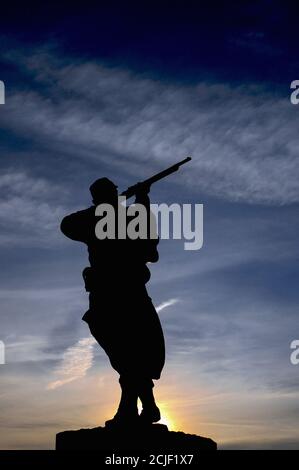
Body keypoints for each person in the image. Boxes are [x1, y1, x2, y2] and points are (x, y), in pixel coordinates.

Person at [60, 177, 165, 426]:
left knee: (130, 353)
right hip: (108, 294)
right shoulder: (101, 219)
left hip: (128, 293)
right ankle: (144, 407)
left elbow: (150, 250)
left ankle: (134, 409)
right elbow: (67, 225)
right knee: (124, 353)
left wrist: (141, 202)